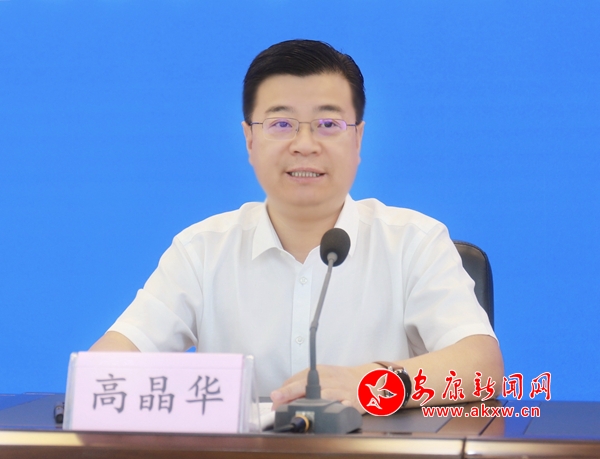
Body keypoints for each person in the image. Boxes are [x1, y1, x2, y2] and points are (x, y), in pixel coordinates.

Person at [90, 39, 503, 411]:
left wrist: (370, 383)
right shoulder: (201, 250)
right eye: (281, 124)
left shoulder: (414, 242)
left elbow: (482, 365)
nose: (305, 145)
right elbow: (111, 362)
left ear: (357, 139)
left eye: (328, 124)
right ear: (250, 140)